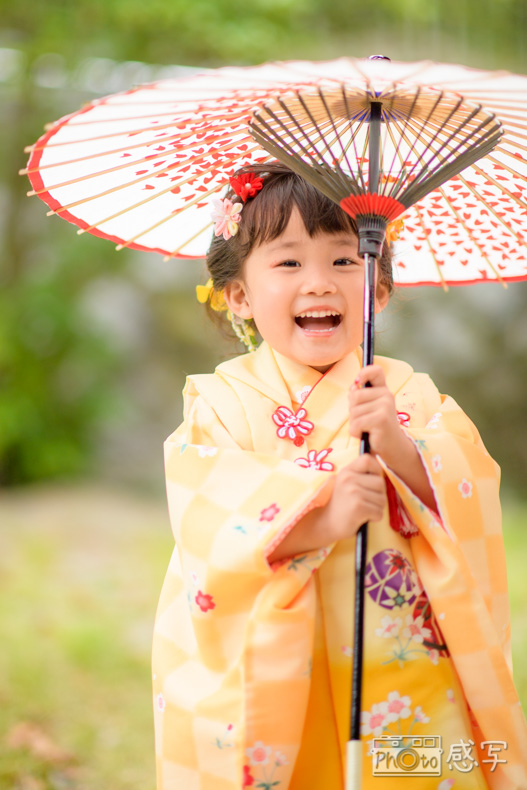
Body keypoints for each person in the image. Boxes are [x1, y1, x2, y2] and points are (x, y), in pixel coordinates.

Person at [151, 163, 527, 790]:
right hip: (280, 659)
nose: (320, 284)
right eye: (289, 263)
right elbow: (207, 523)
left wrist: (402, 448)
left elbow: (470, 492)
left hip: (399, 650)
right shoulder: (219, 402)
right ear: (239, 294)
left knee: (405, 768)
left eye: (346, 262)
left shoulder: (408, 393)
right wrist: (322, 519)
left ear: (377, 290)